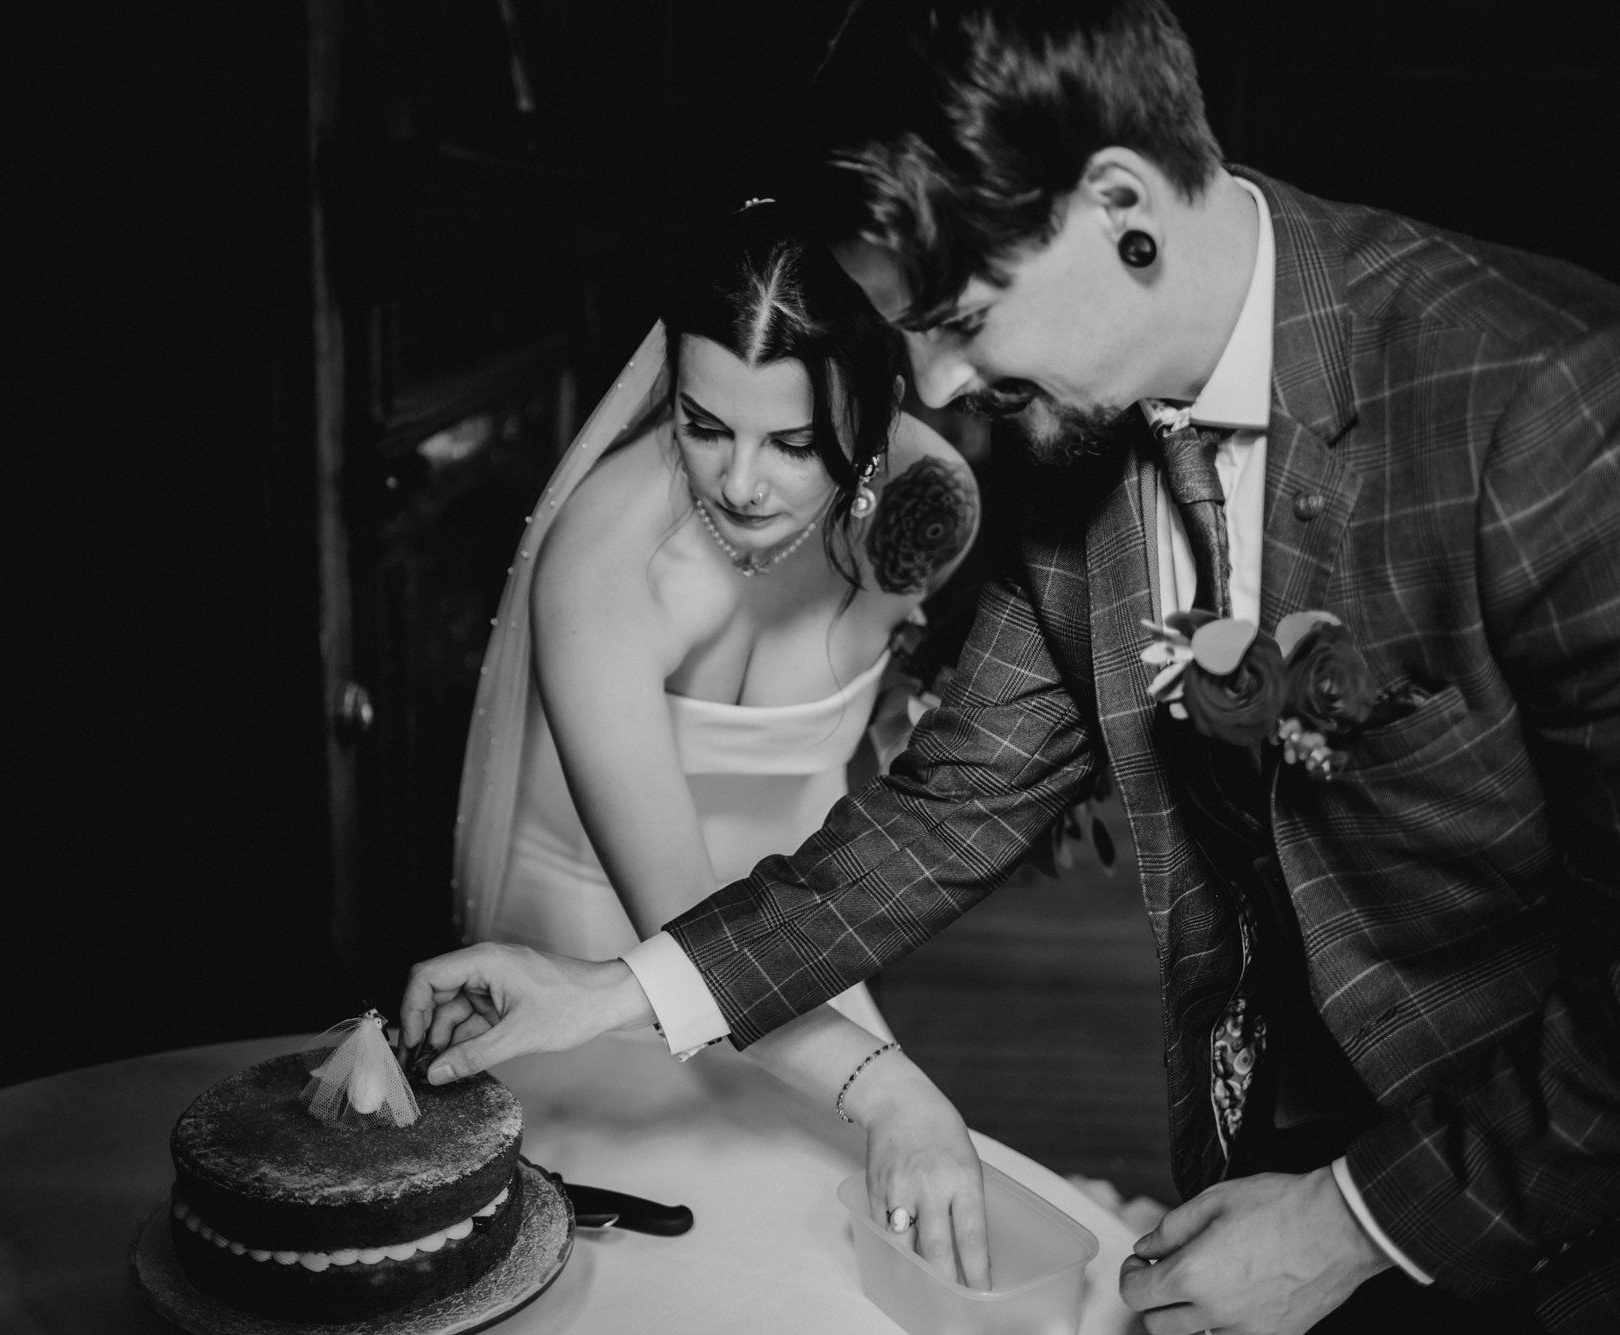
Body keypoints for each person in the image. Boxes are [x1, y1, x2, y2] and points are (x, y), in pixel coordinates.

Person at [402, 3, 1620, 1332]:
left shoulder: (1550, 412)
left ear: (1119, 204)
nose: (929, 378)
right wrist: (614, 988)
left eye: (957, 316)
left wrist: (1350, 1221)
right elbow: (943, 810)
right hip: (1264, 1169)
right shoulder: (1067, 448)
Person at [452, 201, 995, 1282]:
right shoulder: (608, 563)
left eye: (795, 443)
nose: (740, 482)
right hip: (602, 963)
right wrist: (886, 1085)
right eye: (703, 426)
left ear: (873, 404)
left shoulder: (924, 506)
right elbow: (679, 936)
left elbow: (878, 731)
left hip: (795, 941)